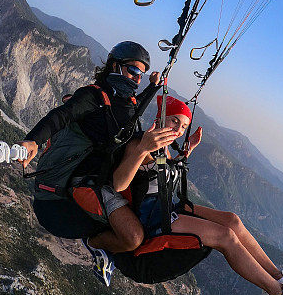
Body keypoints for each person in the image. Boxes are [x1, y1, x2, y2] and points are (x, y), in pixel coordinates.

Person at [112, 95, 283, 295]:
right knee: (225, 236)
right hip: (152, 217)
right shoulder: (141, 144)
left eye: (183, 126)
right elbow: (119, 183)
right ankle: (277, 293)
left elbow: (162, 171)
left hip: (166, 206)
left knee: (232, 220)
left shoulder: (163, 146)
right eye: (174, 121)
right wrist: (142, 149)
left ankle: (278, 276)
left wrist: (186, 151)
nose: (179, 130)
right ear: (161, 119)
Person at [17, 42, 178, 274]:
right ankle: (96, 245)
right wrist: (34, 139)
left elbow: (133, 110)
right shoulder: (93, 96)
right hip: (69, 195)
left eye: (140, 74)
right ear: (115, 65)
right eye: (133, 71)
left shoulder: (125, 100)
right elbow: (62, 115)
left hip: (98, 181)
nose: (136, 78)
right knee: (134, 237)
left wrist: (153, 88)